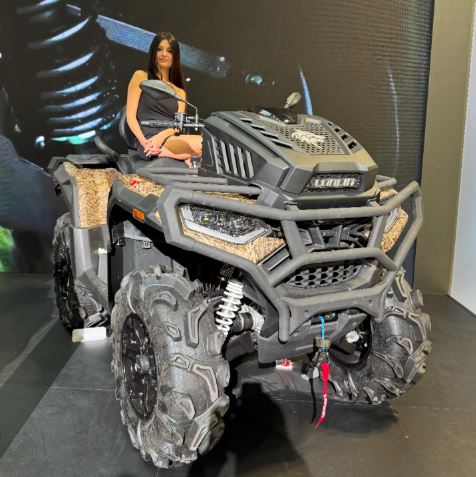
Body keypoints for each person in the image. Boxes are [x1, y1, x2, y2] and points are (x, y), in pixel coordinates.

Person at [126, 32, 202, 166]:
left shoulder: (180, 92)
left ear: (175, 56)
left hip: (168, 138)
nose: (164, 54)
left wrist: (162, 135)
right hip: (148, 140)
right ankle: (188, 158)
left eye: (169, 51)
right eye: (159, 49)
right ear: (153, 53)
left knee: (211, 146)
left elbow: (177, 127)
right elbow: (130, 117)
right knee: (205, 145)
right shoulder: (141, 77)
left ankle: (188, 159)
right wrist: (145, 143)